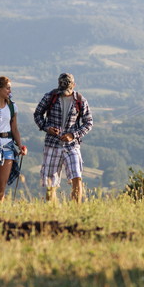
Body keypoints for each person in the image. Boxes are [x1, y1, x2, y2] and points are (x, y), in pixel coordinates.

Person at [33, 72, 94, 203]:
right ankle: (53, 210)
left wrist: (73, 135)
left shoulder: (80, 100)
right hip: (52, 144)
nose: (64, 92)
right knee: (50, 182)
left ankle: (75, 209)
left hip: (72, 145)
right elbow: (37, 114)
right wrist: (46, 128)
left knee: (77, 177)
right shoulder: (50, 97)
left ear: (74, 85)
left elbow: (89, 122)